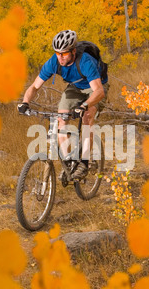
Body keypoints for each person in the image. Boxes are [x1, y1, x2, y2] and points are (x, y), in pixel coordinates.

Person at [18, 29, 109, 180]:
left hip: (96, 87)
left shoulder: (85, 61)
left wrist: (83, 105)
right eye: (57, 53)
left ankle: (84, 163)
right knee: (61, 117)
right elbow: (34, 86)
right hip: (75, 87)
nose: (60, 57)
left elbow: (99, 91)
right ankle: (68, 162)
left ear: (73, 51)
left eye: (64, 53)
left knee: (87, 116)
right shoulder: (54, 62)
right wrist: (25, 103)